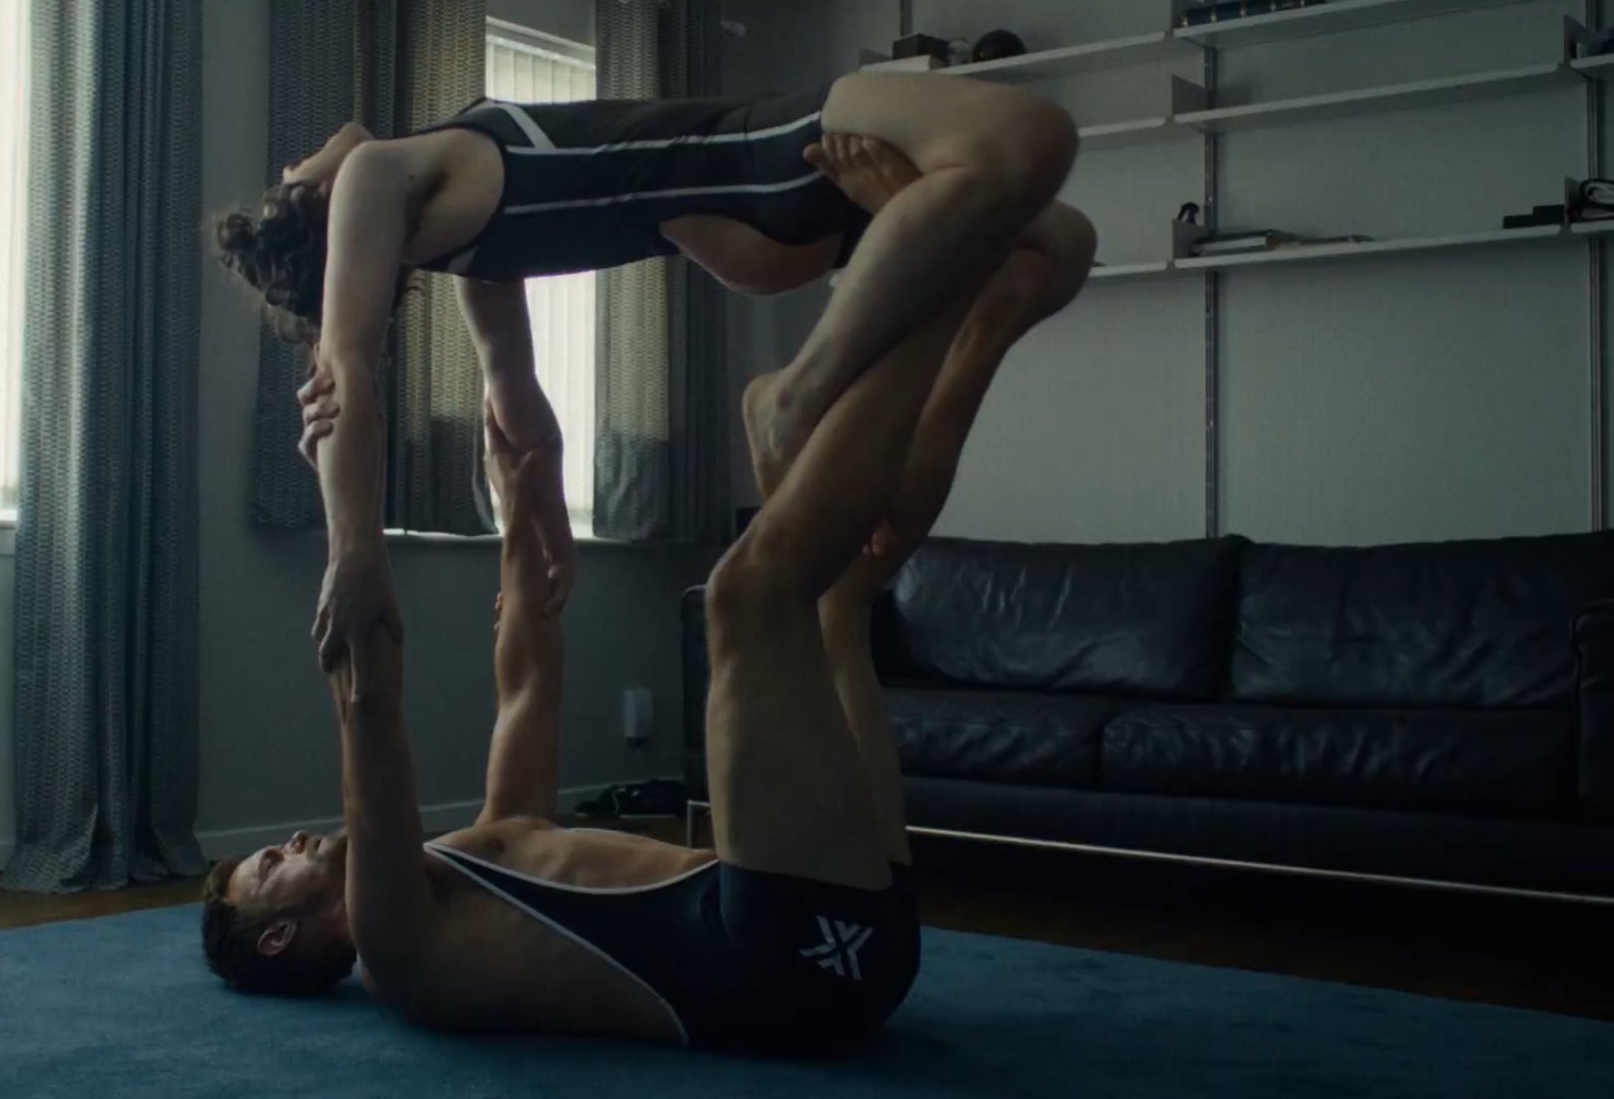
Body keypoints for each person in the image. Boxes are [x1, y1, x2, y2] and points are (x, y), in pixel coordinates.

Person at [201, 139, 1095, 1053]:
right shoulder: (400, 954)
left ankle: (989, 313)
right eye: (269, 865)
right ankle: (943, 265)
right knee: (744, 598)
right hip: (789, 962)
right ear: (278, 937)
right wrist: (349, 546)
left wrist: (520, 510)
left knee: (842, 600)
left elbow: (527, 685)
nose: (292, 841)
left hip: (848, 927)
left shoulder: (474, 860)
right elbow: (371, 721)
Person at [214, 70, 1092, 702]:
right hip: (757, 159)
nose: (298, 158)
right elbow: (348, 374)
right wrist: (354, 554)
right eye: (290, 177)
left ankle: (874, 378)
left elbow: (521, 418)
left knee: (1052, 250)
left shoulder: (471, 254)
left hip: (747, 222)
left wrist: (552, 539)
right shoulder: (376, 178)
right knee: (1032, 137)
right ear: (320, 204)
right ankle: (794, 397)